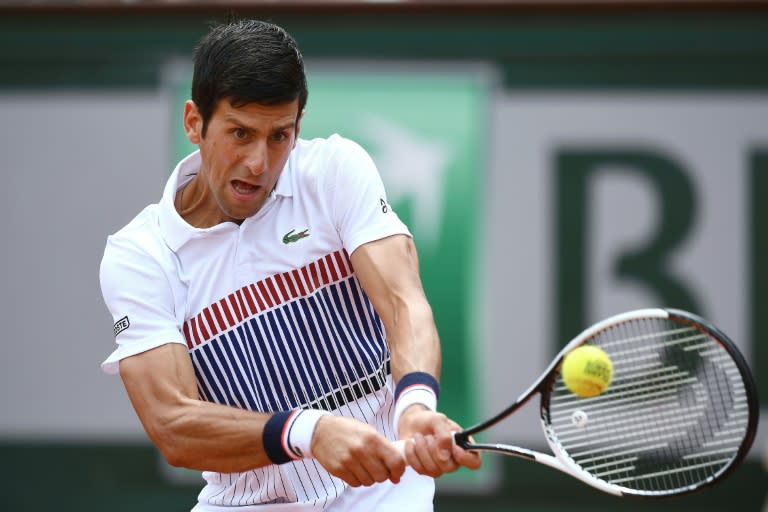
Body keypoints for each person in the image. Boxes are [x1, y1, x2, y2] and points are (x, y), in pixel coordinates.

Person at [99, 18, 480, 511]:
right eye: (240, 133)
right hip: (244, 501)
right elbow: (173, 424)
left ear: (299, 124)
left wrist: (415, 405)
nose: (259, 162)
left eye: (279, 136)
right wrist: (308, 432)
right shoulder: (140, 255)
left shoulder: (335, 171)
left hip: (382, 493)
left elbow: (404, 301)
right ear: (194, 122)